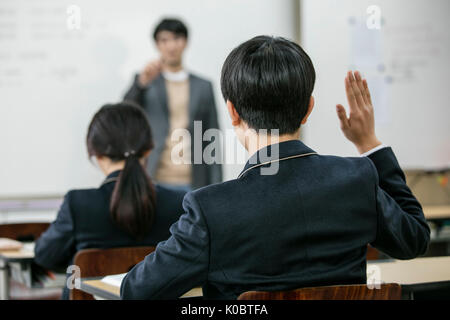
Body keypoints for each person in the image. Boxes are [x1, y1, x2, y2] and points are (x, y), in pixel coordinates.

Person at [120, 36, 430, 300]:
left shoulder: (211, 209)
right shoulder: (357, 179)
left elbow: (137, 291)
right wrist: (370, 145)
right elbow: (414, 238)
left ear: (232, 112)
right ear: (308, 108)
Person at [34, 102, 187, 299]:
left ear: (96, 154)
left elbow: (46, 256)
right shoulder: (178, 202)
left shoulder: (78, 204)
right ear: (148, 150)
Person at [124, 18, 222, 191]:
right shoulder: (147, 82)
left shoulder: (203, 86)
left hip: (194, 180)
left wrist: (216, 186)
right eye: (164, 40)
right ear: (156, 44)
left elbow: (212, 136)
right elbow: (125, 114)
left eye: (176, 39)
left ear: (185, 42)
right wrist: (140, 84)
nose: (171, 46)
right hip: (153, 177)